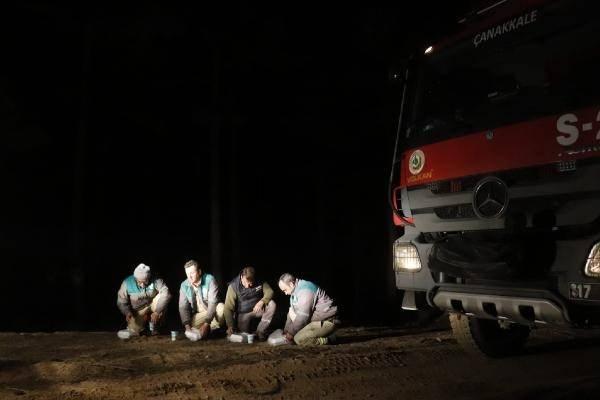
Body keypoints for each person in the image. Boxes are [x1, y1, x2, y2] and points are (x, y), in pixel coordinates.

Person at [278, 273, 339, 346]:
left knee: (299, 339)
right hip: (314, 321)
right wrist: (286, 332)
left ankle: (329, 339)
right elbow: (291, 314)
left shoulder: (306, 290)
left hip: (327, 321)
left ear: (291, 284)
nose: (285, 293)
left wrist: (290, 334)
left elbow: (303, 317)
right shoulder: (294, 293)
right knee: (294, 336)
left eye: (285, 290)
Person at [116, 263, 171, 338]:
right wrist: (127, 312)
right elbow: (121, 301)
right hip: (138, 310)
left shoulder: (155, 279)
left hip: (153, 304)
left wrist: (157, 312)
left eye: (145, 281)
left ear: (149, 277)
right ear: (135, 278)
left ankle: (155, 327)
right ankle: (140, 328)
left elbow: (166, 293)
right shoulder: (127, 282)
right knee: (133, 331)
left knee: (162, 298)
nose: (142, 285)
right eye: (139, 282)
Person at [223, 266, 276, 341]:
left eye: (251, 283)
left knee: (271, 304)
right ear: (242, 277)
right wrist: (230, 325)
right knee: (245, 336)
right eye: (246, 283)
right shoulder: (233, 286)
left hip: (258, 309)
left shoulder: (259, 280)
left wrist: (262, 301)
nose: (248, 286)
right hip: (243, 314)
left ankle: (260, 331)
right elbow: (228, 308)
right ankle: (247, 330)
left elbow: (270, 291)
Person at [179, 259, 225, 340]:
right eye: (187, 274)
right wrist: (187, 327)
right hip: (200, 314)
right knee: (191, 324)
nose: (189, 276)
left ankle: (212, 329)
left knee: (222, 309)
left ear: (199, 272)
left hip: (213, 309)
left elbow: (213, 302)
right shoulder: (184, 285)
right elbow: (183, 307)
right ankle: (213, 329)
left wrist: (206, 323)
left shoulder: (209, 279)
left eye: (192, 273)